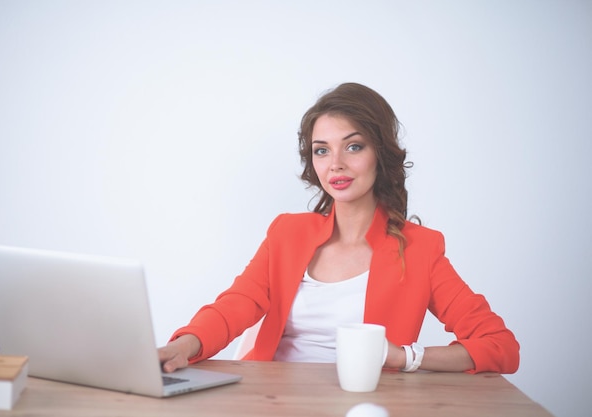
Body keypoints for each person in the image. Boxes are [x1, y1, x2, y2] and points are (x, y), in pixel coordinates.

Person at [158, 82, 519, 374]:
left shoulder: (419, 249)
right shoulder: (287, 233)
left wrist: (404, 357)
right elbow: (234, 306)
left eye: (354, 146)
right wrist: (182, 346)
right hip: (270, 402)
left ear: (381, 153)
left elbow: (499, 346)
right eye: (321, 150)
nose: (336, 165)